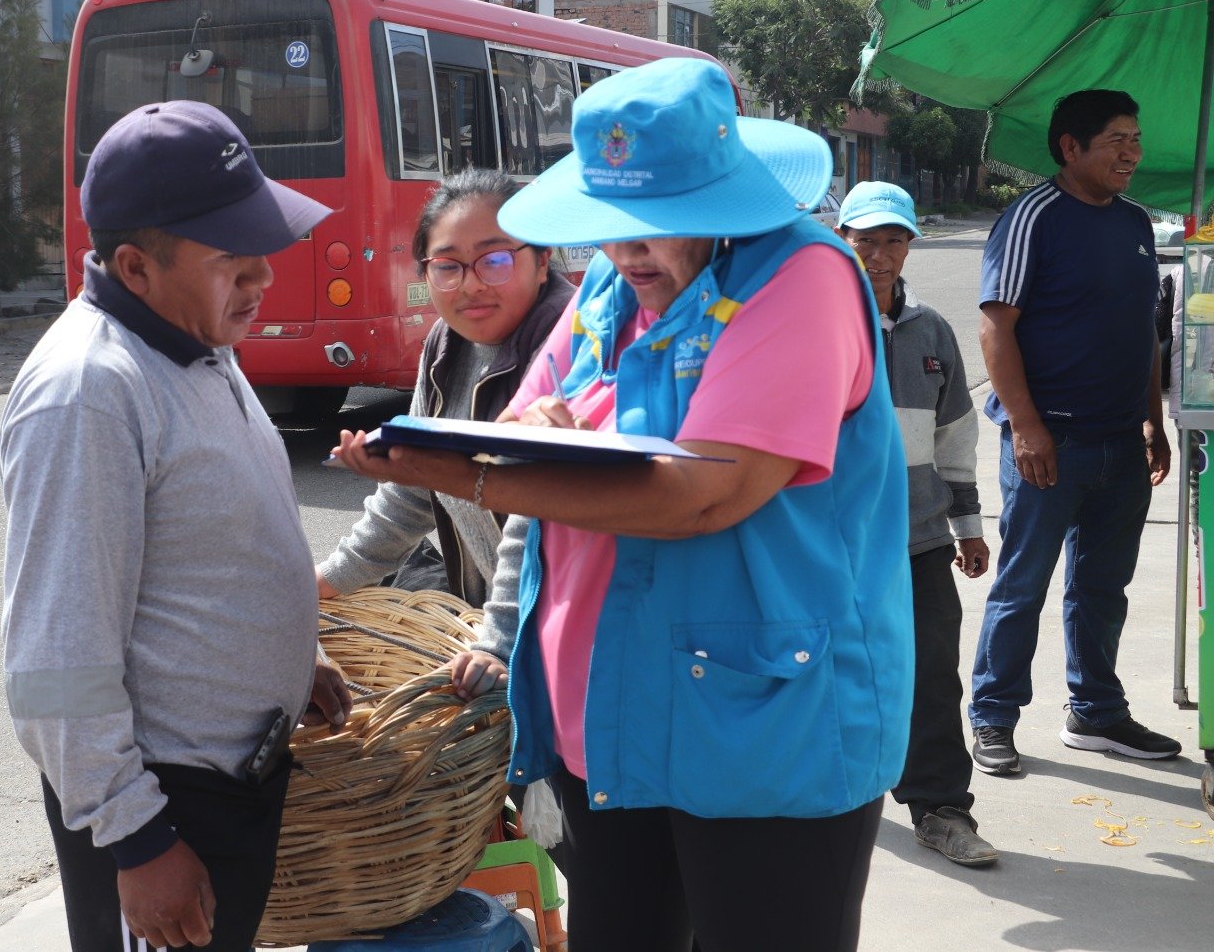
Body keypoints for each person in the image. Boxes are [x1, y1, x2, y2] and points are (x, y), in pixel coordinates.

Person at [332, 57, 913, 952]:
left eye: (657, 225)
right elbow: (528, 410)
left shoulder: (802, 278)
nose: (627, 251)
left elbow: (702, 496)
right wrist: (535, 426)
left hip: (767, 721)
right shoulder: (616, 281)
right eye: (611, 227)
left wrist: (475, 478)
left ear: (722, 200)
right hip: (608, 708)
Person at [0, 101, 352, 952]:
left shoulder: (197, 345)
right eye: (235, 259)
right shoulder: (88, 391)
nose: (264, 277)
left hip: (224, 785)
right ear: (135, 265)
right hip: (163, 807)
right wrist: (136, 838)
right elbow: (55, 659)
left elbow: (202, 549)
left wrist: (284, 658)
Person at [970, 89, 1179, 777]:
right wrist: (1026, 428)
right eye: (1118, 138)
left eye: (1136, 138)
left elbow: (1146, 335)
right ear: (1071, 147)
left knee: (1103, 587)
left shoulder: (1136, 223)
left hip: (1122, 442)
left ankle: (1095, 711)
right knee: (1022, 585)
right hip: (1051, 444)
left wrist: (1153, 419)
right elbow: (996, 324)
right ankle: (994, 716)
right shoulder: (1034, 217)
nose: (1133, 152)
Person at [316, 167, 575, 698]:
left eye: (495, 260)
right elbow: (413, 489)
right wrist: (328, 582)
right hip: (502, 631)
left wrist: (498, 642)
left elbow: (538, 515)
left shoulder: (567, 339)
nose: (472, 284)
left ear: (542, 260)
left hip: (571, 634)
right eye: (448, 266)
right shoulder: (444, 344)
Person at [838, 181, 998, 868]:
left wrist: (967, 524)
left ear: (910, 246)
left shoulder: (931, 330)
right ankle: (834, 799)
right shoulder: (816, 323)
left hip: (921, 539)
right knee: (831, 674)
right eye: (866, 241)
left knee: (931, 674)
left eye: (893, 241)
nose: (880, 255)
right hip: (832, 545)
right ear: (840, 241)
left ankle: (940, 808)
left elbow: (956, 436)